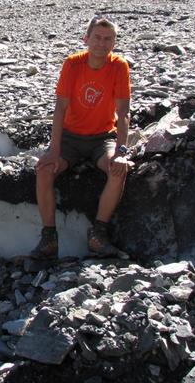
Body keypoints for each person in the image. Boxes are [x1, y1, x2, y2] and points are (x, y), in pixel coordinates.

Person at [30, 15, 131, 259]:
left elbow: (123, 112)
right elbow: (60, 109)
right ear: (86, 39)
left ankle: (98, 234)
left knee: (118, 170)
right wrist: (54, 150)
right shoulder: (73, 64)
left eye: (108, 39)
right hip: (70, 138)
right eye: (97, 37)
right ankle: (49, 238)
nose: (101, 43)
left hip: (102, 138)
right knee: (44, 169)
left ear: (114, 43)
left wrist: (121, 152)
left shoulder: (119, 66)